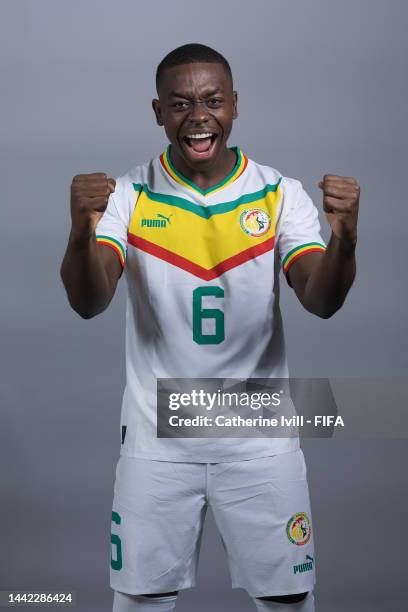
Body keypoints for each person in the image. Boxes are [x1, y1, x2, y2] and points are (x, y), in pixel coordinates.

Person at [60, 43, 360, 612]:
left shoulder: (278, 194)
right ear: (158, 112)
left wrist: (344, 237)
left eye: (212, 101)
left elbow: (321, 300)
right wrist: (80, 230)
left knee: (290, 602)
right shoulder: (130, 194)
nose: (198, 116)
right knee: (140, 602)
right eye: (180, 104)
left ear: (235, 106)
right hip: (157, 441)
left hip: (260, 441)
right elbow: (88, 301)